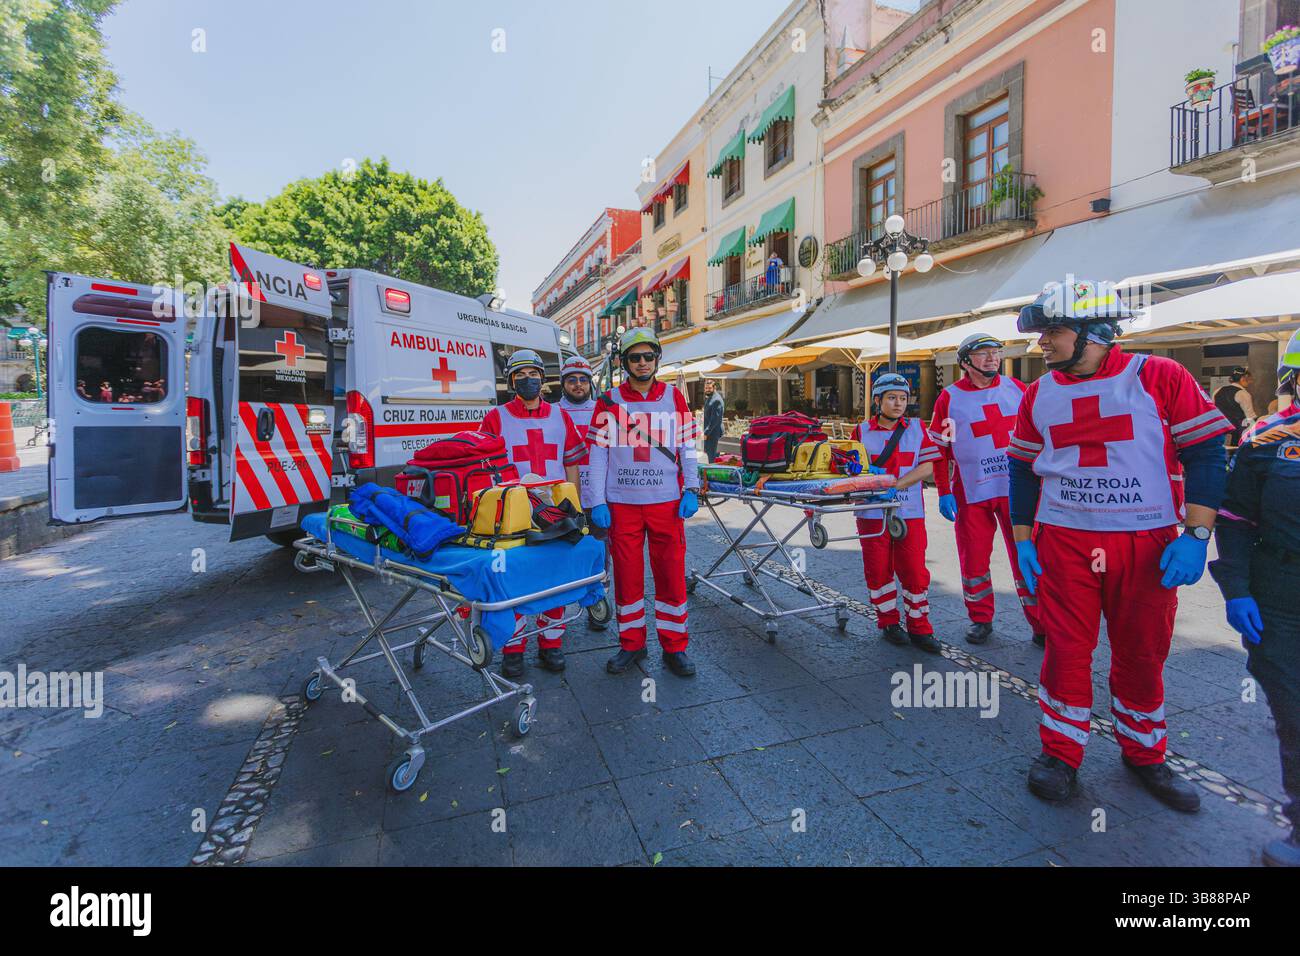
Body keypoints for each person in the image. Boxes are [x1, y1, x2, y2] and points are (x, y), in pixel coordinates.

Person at [1007, 279, 1230, 811]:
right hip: (1064, 541)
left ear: (1095, 332)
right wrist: (1023, 541)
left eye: (1053, 331)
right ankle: (1060, 753)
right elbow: (1022, 468)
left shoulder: (1159, 375)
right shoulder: (1039, 393)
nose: (1042, 342)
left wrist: (1197, 536)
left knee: (1142, 652)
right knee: (1065, 650)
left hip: (1145, 541)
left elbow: (1206, 454)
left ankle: (1145, 753)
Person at [1209, 328, 1300, 867]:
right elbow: (1236, 518)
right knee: (1293, 711)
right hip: (1280, 595)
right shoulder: (1266, 439)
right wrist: (1237, 589)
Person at [587, 327, 700, 677]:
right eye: (634, 357)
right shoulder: (607, 401)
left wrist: (692, 488)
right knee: (627, 577)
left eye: (648, 356)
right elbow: (597, 454)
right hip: (622, 504)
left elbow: (687, 447)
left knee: (671, 575)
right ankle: (632, 643)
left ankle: (675, 646)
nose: (642, 363)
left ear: (657, 359)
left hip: (666, 502)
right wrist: (596, 501)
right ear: (624, 362)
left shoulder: (674, 397)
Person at [928, 333, 1043, 647]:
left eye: (995, 352)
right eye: (983, 353)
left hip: (1017, 489)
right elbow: (939, 450)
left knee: (1027, 556)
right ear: (966, 362)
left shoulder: (1017, 389)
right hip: (971, 491)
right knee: (974, 559)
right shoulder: (949, 398)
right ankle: (980, 618)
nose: (992, 358)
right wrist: (943, 491)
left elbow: (1040, 434)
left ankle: (1041, 622)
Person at [479, 348, 586, 679]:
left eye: (533, 374)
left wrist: (576, 507)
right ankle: (513, 650)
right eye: (521, 375)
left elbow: (572, 463)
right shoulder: (496, 418)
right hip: (513, 511)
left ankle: (550, 643)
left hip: (555, 511)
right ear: (512, 381)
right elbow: (484, 469)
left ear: (543, 379)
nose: (528, 380)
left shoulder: (560, 416)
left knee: (554, 579)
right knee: (513, 580)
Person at [852, 372, 943, 653]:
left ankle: (920, 627)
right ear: (877, 401)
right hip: (871, 512)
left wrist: (896, 485)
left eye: (903, 398)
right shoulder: (861, 431)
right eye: (891, 398)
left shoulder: (917, 428)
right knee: (878, 569)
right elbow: (851, 468)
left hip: (909, 510)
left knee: (914, 569)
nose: (898, 403)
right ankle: (888, 621)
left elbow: (928, 467)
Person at [1214, 367, 1256, 446]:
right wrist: (1253, 439)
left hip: (1221, 433)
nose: (1250, 382)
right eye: (1249, 379)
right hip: (1237, 434)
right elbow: (1250, 418)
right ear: (1243, 378)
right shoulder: (1243, 393)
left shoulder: (1217, 391)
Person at [702, 378, 724, 462]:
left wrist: (706, 433)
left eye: (709, 388)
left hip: (714, 433)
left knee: (712, 458)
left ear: (714, 388)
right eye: (706, 388)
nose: (707, 390)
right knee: (709, 456)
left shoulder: (716, 400)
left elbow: (715, 420)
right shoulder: (710, 397)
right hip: (710, 433)